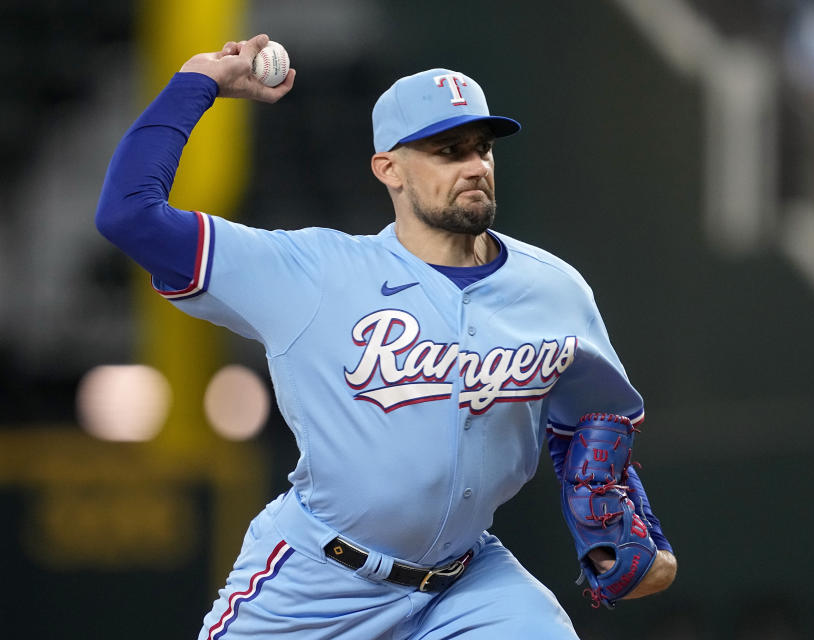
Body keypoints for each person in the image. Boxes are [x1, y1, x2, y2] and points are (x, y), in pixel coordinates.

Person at [96, 34, 677, 640]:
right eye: (447, 150)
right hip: (318, 583)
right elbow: (128, 214)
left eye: (482, 148)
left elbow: (596, 424)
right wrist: (199, 81)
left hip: (465, 584)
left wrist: (625, 531)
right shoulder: (312, 273)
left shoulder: (554, 290)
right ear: (388, 168)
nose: (475, 165)